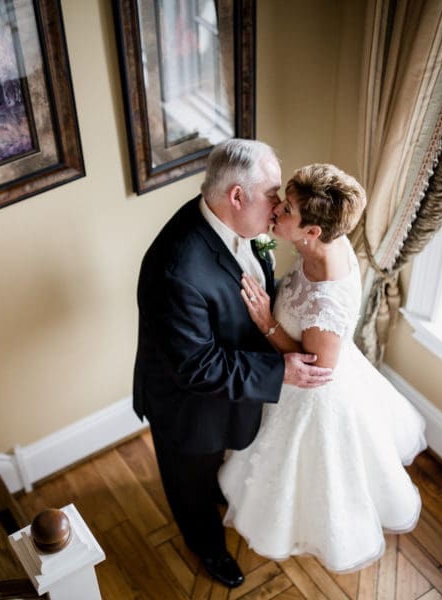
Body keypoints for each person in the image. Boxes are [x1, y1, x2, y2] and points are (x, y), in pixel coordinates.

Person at [133, 139, 333, 588]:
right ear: (236, 196)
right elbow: (198, 367)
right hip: (186, 407)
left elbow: (256, 292)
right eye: (272, 193)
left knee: (219, 470)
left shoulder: (242, 224)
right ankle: (206, 547)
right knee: (190, 487)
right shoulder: (176, 269)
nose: (280, 204)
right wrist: (281, 370)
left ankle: (218, 497)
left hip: (230, 388)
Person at [218, 163, 427, 572]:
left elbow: (312, 366)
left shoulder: (328, 299)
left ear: (312, 232)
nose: (276, 209)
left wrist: (267, 322)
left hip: (312, 394)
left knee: (311, 478)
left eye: (288, 209)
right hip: (297, 373)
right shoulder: (320, 242)